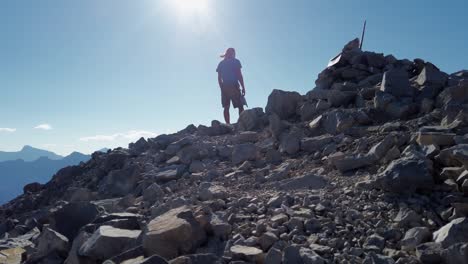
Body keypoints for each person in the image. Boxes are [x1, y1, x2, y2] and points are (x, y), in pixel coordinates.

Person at [216, 48, 246, 124]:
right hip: (233, 85)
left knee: (226, 106)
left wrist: (221, 88)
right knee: (240, 105)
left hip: (224, 86)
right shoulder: (236, 62)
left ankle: (228, 124)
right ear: (232, 53)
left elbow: (219, 78)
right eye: (234, 53)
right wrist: (243, 87)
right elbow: (239, 75)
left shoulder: (221, 63)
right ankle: (241, 123)